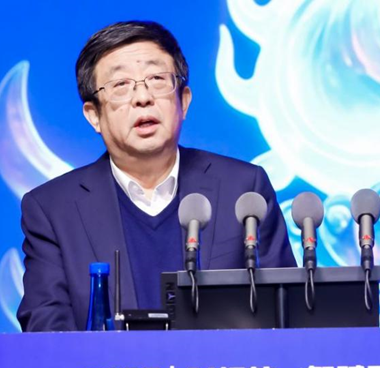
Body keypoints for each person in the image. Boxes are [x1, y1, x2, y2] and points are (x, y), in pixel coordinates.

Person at [17, 20, 297, 332]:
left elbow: (285, 314)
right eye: (121, 85)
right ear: (94, 115)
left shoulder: (244, 190)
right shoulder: (53, 210)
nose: (143, 97)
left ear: (184, 101)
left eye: (156, 79)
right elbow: (46, 329)